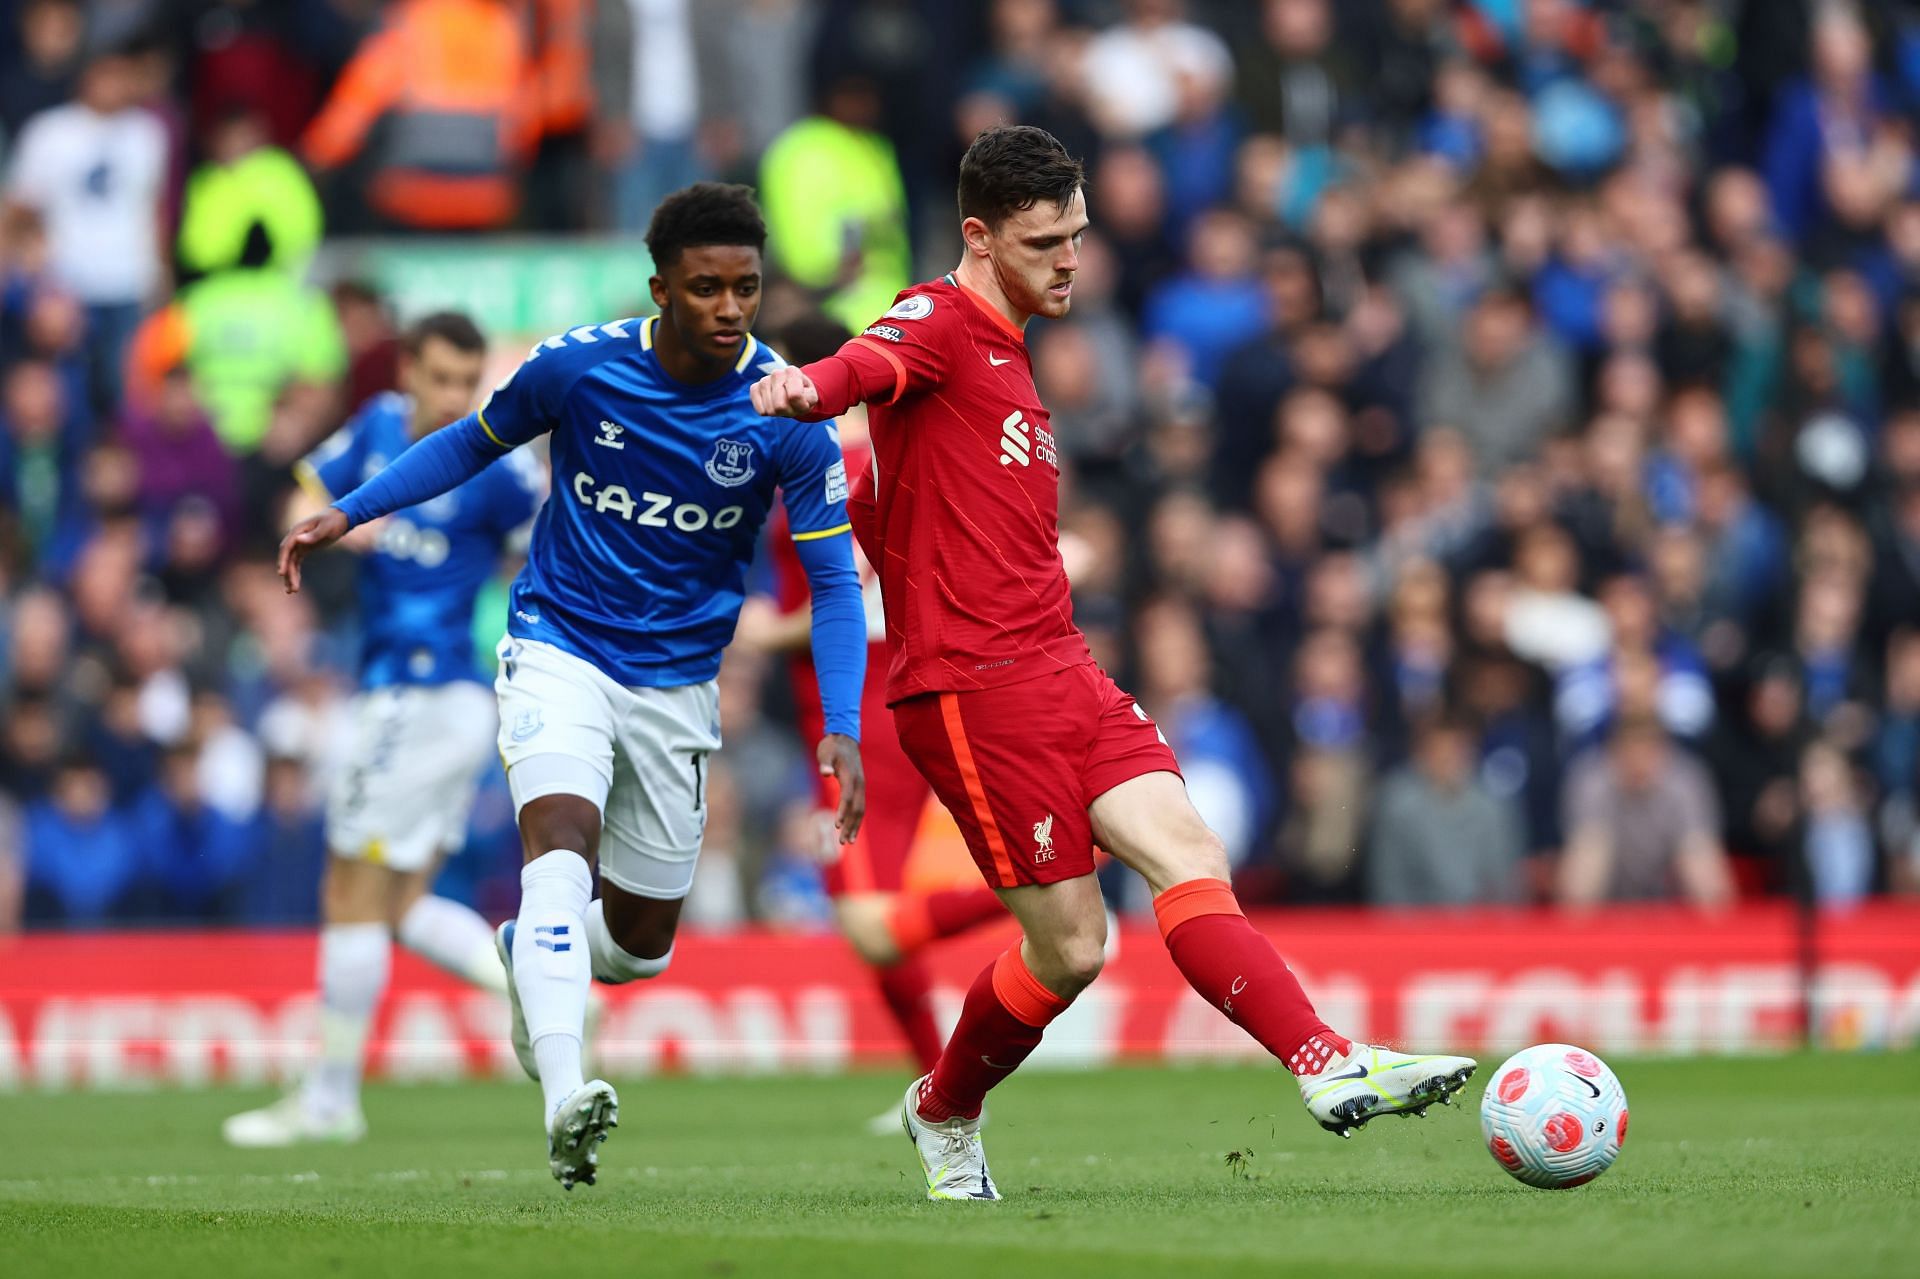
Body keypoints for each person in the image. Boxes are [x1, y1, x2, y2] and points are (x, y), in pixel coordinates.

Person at [752, 125, 1476, 1202]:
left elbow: (888, 502)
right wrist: (805, 390)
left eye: (1079, 236)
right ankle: (943, 1107)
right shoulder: (939, 319)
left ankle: (1326, 1061)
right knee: (1073, 948)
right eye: (1046, 242)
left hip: (1062, 665)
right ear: (980, 237)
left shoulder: (1008, 350)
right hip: (970, 690)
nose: (1071, 260)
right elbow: (868, 359)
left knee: (1189, 849)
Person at [277, 184, 868, 1191]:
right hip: (560, 647)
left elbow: (831, 582)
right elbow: (471, 441)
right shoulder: (580, 366)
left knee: (640, 946)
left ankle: (528, 952)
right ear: (661, 289)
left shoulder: (788, 413)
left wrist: (843, 723)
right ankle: (565, 1094)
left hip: (678, 685)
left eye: (747, 289)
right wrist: (350, 510)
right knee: (558, 849)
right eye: (707, 288)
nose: (730, 309)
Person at [223, 311, 542, 1147]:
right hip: (404, 697)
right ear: (406, 372)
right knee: (400, 903)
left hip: (426, 694)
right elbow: (303, 491)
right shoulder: (371, 431)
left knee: (347, 891)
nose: (452, 398)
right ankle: (539, 989)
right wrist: (335, 521)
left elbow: (550, 542)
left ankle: (329, 1098)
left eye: (465, 383)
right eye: (437, 378)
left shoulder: (496, 467)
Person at [745, 314, 1006, 1121]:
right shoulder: (871, 451)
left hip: (863, 712)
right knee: (877, 907)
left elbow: (853, 592)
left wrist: (764, 629)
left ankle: (1063, 860)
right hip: (871, 700)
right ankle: (942, 1085)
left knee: (868, 922)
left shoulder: (838, 459)